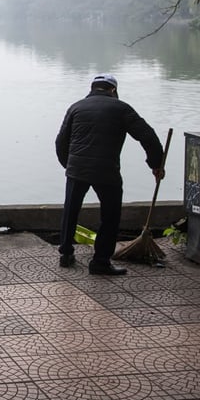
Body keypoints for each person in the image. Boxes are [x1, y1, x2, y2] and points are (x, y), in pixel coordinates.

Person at [55, 73, 164, 275]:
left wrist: (68, 165)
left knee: (71, 211)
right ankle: (100, 262)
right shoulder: (121, 108)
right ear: (113, 89)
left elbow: (61, 141)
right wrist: (156, 164)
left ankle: (66, 254)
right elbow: (147, 136)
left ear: (92, 88)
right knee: (110, 215)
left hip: (77, 169)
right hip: (106, 171)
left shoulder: (76, 107)